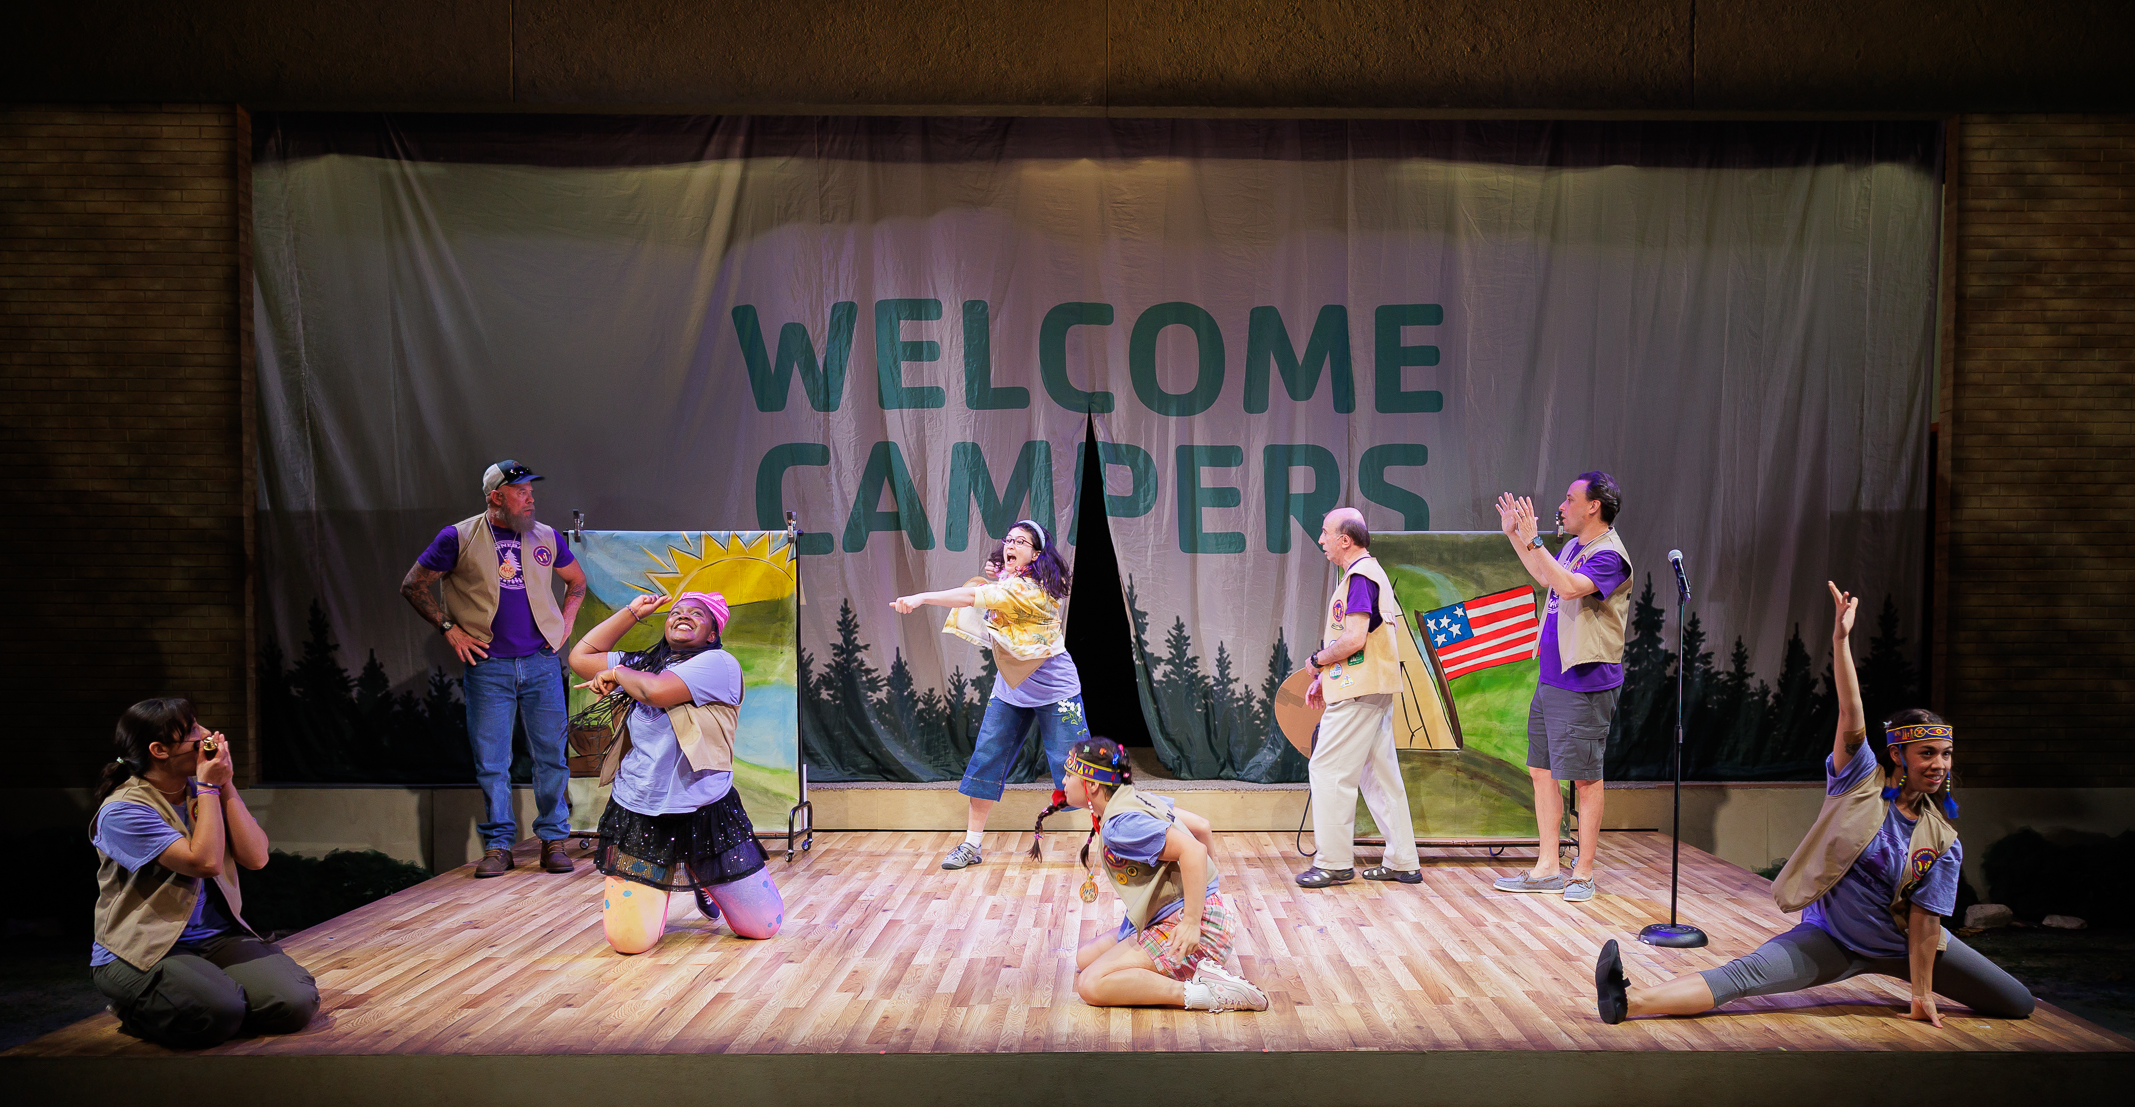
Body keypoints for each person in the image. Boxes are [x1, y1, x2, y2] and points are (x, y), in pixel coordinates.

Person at [1594, 583, 2033, 1026]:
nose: (1939, 765)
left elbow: (1924, 923)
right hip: (1832, 940)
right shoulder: (1859, 780)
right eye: (1927, 753)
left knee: (2017, 1003)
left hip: (1900, 946)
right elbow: (1850, 712)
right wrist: (1841, 642)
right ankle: (1628, 1001)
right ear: (1898, 754)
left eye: (1946, 755)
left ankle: (1932, 989)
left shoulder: (1942, 840)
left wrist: (1922, 993)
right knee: (1741, 976)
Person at [90, 698, 319, 1048]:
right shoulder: (124, 810)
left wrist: (224, 784)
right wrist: (210, 788)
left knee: (293, 1005)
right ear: (159, 750)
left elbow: (256, 857)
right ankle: (137, 1008)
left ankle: (207, 994)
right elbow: (204, 862)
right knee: (217, 1014)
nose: (208, 735)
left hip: (216, 938)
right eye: (193, 731)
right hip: (147, 946)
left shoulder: (201, 791)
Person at [567, 590, 785, 954]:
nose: (682, 615)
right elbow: (580, 657)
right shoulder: (644, 663)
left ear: (713, 633)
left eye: (696, 614)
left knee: (763, 927)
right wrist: (631, 613)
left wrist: (617, 673)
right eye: (676, 611)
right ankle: (666, 881)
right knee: (630, 943)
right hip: (640, 808)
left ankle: (700, 873)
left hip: (704, 809)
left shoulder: (718, 664)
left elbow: (654, 693)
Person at [400, 459, 589, 878]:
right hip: (489, 666)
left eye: (530, 490)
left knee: (551, 756)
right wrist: (449, 629)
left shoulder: (546, 536)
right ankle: (499, 845)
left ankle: (554, 839)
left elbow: (577, 582)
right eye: (520, 490)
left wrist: (564, 625)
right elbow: (413, 584)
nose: (530, 496)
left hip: (540, 663)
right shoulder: (459, 537)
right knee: (492, 760)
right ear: (495, 497)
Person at [892, 519, 1091, 871]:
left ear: (1036, 553)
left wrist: (922, 597)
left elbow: (972, 596)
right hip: (1012, 688)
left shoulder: (1030, 591)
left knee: (1081, 771)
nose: (1010, 544)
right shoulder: (1010, 581)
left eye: (1020, 541)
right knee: (986, 761)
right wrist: (999, 572)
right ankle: (972, 844)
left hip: (1056, 690)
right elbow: (987, 589)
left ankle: (1114, 842)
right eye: (1008, 538)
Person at [1491, 472, 1631, 903]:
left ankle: (1583, 873)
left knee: (1586, 778)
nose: (1562, 506)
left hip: (1585, 683)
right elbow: (1545, 576)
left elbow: (1569, 588)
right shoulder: (1573, 547)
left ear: (1594, 506)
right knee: (1542, 770)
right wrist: (1517, 537)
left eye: (1570, 499)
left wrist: (1535, 541)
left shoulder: (1610, 555)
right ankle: (1548, 866)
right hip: (1553, 678)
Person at [1064, 737, 1268, 1013]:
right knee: (1085, 958)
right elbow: (1201, 827)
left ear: (1092, 785)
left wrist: (1192, 921)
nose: (1063, 782)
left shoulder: (1121, 826)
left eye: (1068, 775)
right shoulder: (1133, 797)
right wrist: (1208, 893)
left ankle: (1207, 993)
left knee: (1091, 984)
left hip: (1195, 927)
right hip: (1194, 914)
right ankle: (1190, 960)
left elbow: (1194, 850)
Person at [1294, 508, 1422, 888]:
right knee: (1378, 775)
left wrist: (1317, 663)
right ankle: (1403, 860)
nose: (1321, 540)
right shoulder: (1365, 574)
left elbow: (1354, 639)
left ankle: (1333, 862)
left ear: (1344, 539)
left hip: (1358, 693)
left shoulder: (1361, 577)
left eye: (1325, 533)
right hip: (1369, 688)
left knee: (1329, 770)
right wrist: (1327, 677)